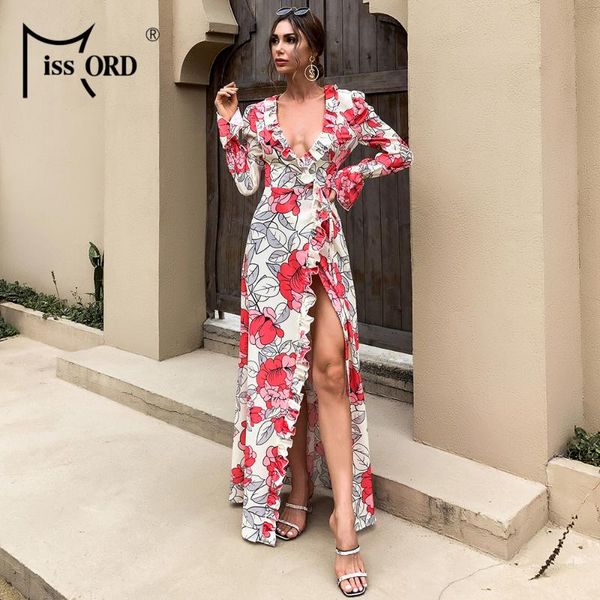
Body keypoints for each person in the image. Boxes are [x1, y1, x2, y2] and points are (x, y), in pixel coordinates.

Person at [214, 6, 413, 597]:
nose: (278, 48)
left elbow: (397, 150)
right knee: (285, 374)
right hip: (271, 254)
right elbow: (247, 182)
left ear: (313, 48)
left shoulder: (346, 106)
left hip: (322, 248)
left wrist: (348, 177)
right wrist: (227, 123)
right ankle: (298, 489)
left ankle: (343, 520)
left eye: (289, 39)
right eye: (274, 40)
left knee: (328, 368)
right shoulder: (257, 114)